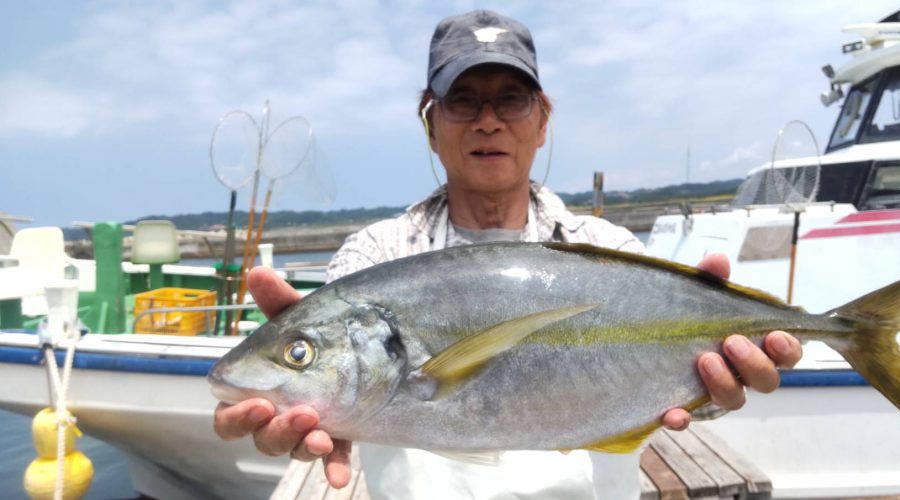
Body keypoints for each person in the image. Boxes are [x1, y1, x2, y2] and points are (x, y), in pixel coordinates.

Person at [214, 10, 802, 499]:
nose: (488, 122)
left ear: (541, 119)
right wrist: (296, 401)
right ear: (431, 123)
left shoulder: (608, 251)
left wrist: (718, 392)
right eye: (463, 100)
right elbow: (330, 388)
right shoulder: (374, 258)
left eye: (510, 100)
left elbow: (677, 401)